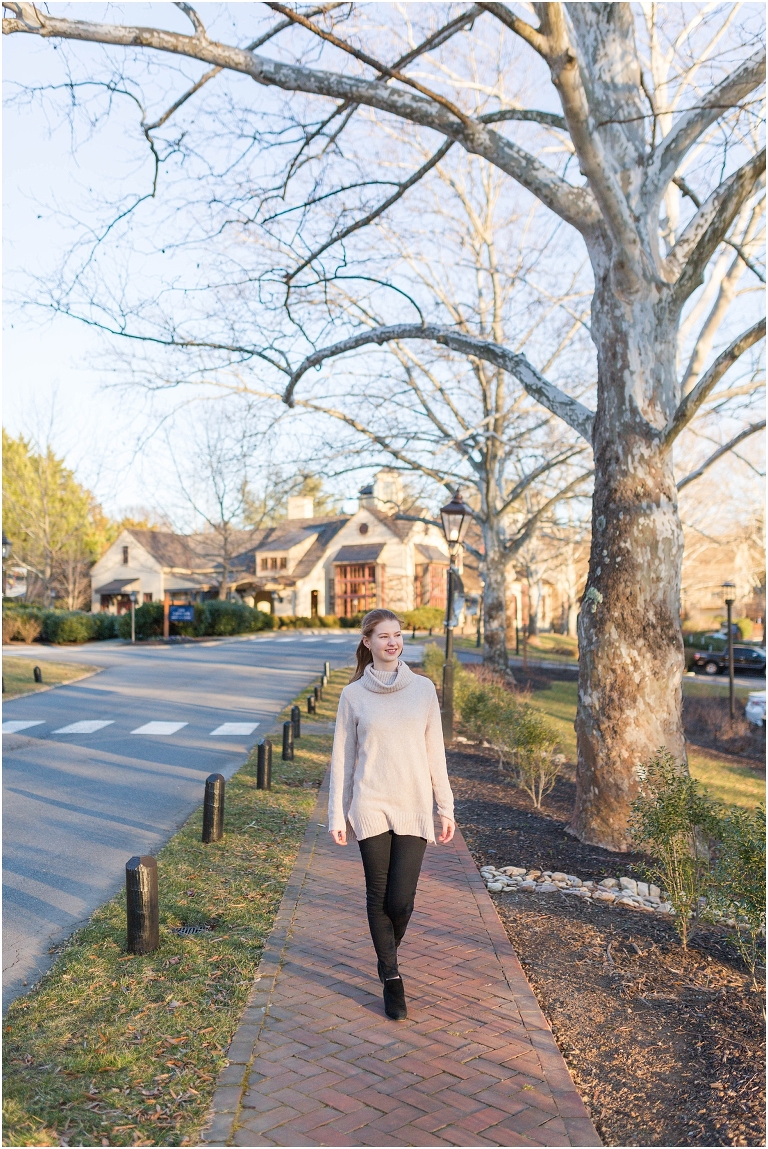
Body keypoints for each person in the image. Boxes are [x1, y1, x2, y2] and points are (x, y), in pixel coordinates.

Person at [328, 608, 455, 1021]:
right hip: (370, 804)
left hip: (414, 804)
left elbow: (436, 752)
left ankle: (386, 952)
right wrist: (336, 815)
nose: (392, 642)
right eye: (383, 636)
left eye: (397, 635)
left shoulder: (422, 690)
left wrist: (445, 806)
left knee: (401, 901)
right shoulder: (353, 696)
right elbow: (342, 761)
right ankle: (392, 976)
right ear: (367, 642)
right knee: (377, 894)